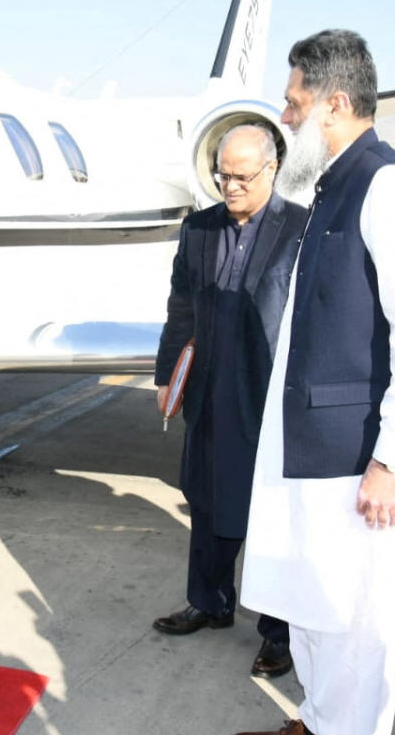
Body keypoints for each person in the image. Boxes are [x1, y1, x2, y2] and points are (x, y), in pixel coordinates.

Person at [235, 30, 395, 735]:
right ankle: (316, 721)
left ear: (334, 104)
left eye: (293, 102)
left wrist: (390, 460)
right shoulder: (332, 187)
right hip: (314, 452)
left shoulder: (386, 185)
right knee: (314, 608)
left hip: (359, 461)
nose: (285, 116)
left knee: (359, 626)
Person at [153, 124, 306, 678]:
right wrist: (168, 376)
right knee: (207, 499)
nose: (230, 186)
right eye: (222, 176)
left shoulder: (300, 229)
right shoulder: (198, 229)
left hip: (269, 397)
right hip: (209, 390)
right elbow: (180, 307)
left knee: (271, 516)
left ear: (271, 169)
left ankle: (278, 632)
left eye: (242, 176)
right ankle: (209, 601)